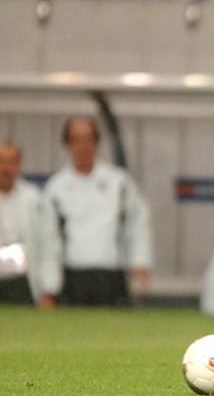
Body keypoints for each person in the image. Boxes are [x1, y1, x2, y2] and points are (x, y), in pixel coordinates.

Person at [45, 117, 152, 306]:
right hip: (72, 274)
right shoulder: (56, 187)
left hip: (111, 273)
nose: (82, 146)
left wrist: (140, 261)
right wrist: (48, 284)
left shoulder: (119, 182)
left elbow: (138, 223)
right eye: (76, 140)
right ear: (67, 145)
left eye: (88, 139)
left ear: (97, 143)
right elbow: (48, 239)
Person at [0, 141, 61, 307]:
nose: (6, 168)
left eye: (11, 162)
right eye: (1, 161)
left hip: (22, 282)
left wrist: (49, 289)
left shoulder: (35, 199)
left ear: (19, 166)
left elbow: (49, 245)